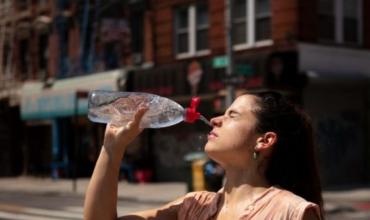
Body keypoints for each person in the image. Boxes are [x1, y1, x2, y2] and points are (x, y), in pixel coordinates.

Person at [84, 91, 324, 220]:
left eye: (232, 115)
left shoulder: (291, 212)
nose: (216, 119)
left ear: (264, 140)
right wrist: (112, 149)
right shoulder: (193, 207)